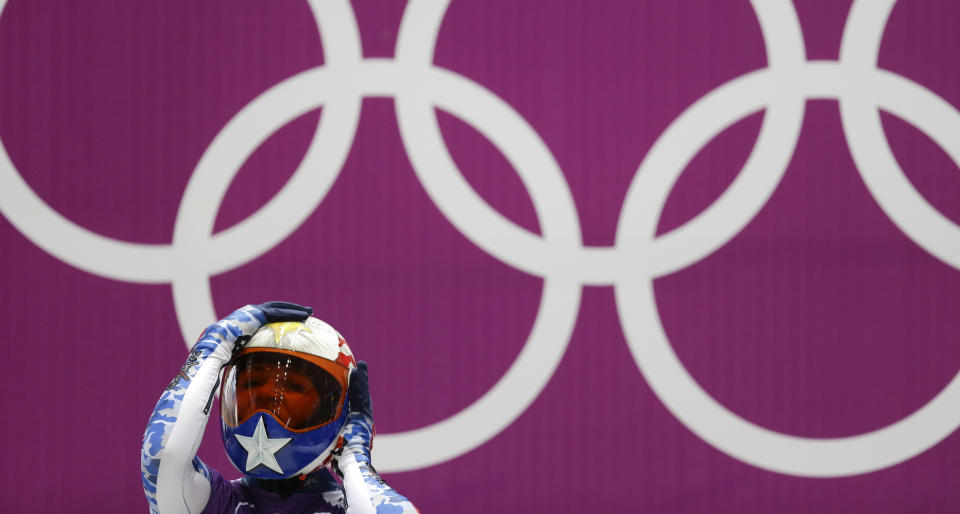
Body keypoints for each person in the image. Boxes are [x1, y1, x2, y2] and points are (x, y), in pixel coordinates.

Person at [141, 301, 418, 513]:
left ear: (336, 410)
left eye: (294, 389)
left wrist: (354, 458)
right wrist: (214, 346)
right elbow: (162, 458)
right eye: (253, 385)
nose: (264, 404)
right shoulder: (214, 503)